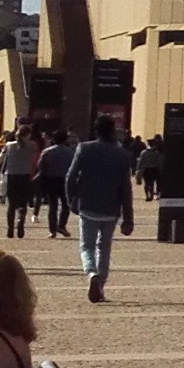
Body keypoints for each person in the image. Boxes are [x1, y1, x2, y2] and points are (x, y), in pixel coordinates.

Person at [63, 116, 134, 302]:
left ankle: (91, 272)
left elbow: (70, 177)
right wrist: (128, 217)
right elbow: (126, 188)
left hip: (88, 205)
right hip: (111, 208)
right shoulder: (122, 154)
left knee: (87, 246)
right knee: (104, 248)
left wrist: (71, 200)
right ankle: (100, 285)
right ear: (112, 130)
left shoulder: (84, 148)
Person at [33, 128, 72, 235]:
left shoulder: (47, 152)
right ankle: (62, 225)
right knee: (65, 204)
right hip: (65, 179)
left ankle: (52, 229)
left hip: (51, 179)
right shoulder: (71, 152)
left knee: (53, 205)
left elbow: (40, 165)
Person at [0, 129, 36, 239]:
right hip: (25, 175)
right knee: (23, 203)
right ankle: (20, 221)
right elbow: (34, 160)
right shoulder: (32, 145)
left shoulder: (9, 145)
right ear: (28, 135)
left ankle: (10, 228)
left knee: (11, 204)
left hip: (11, 176)